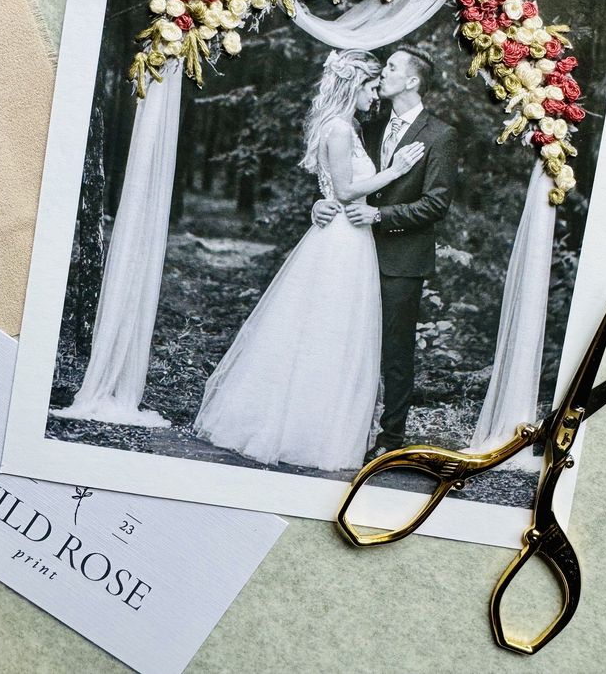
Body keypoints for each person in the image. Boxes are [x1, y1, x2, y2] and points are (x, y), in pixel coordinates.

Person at [193, 49, 425, 472]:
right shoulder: (338, 127)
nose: (376, 96)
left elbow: (336, 190)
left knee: (334, 330)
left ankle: (322, 425)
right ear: (354, 85)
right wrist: (393, 171)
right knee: (323, 328)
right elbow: (345, 189)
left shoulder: (349, 127)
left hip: (352, 237)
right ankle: (300, 430)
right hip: (340, 241)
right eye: (372, 87)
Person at [313, 44, 457, 460]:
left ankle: (390, 439)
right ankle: (338, 426)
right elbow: (338, 175)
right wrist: (319, 203)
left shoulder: (440, 135)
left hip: (401, 259)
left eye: (392, 67)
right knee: (341, 339)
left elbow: (436, 204)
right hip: (350, 252)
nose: (383, 72)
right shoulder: (366, 123)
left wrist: (380, 216)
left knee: (394, 351)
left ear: (412, 81)